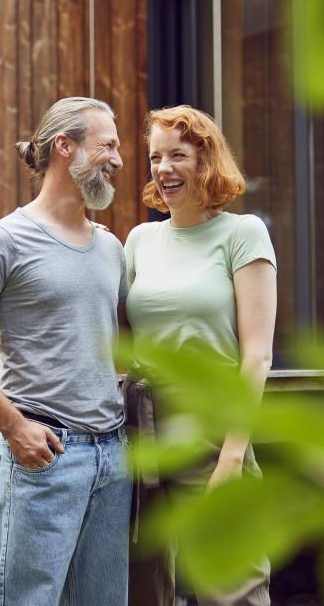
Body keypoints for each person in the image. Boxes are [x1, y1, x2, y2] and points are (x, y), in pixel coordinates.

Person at [0, 96, 132, 606]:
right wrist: (13, 426)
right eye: (107, 145)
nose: (118, 158)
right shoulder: (4, 241)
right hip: (46, 455)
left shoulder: (111, 247)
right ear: (65, 147)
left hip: (112, 456)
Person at [122, 105, 276, 606]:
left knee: (232, 586)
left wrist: (232, 455)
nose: (163, 169)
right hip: (140, 429)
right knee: (142, 587)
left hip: (212, 426)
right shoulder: (140, 241)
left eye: (177, 156)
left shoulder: (242, 234)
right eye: (154, 158)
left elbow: (257, 358)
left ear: (205, 160)